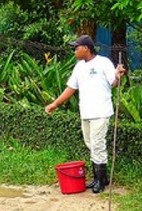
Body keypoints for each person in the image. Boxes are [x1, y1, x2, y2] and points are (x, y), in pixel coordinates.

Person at [45, 34, 125, 193]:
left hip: (101, 111)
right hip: (86, 112)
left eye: (76, 48)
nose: (74, 51)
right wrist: (55, 104)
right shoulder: (79, 67)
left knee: (97, 144)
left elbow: (114, 83)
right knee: (90, 144)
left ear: (86, 48)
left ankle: (100, 181)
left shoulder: (103, 62)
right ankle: (100, 177)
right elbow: (71, 88)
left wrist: (118, 76)